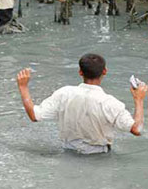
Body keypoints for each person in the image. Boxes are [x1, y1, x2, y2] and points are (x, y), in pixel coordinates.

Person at [16, 54, 146, 154]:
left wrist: (23, 87)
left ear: (80, 72)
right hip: (99, 157)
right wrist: (138, 99)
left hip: (68, 152)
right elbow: (137, 130)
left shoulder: (64, 93)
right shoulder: (110, 103)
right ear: (105, 71)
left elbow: (34, 115)